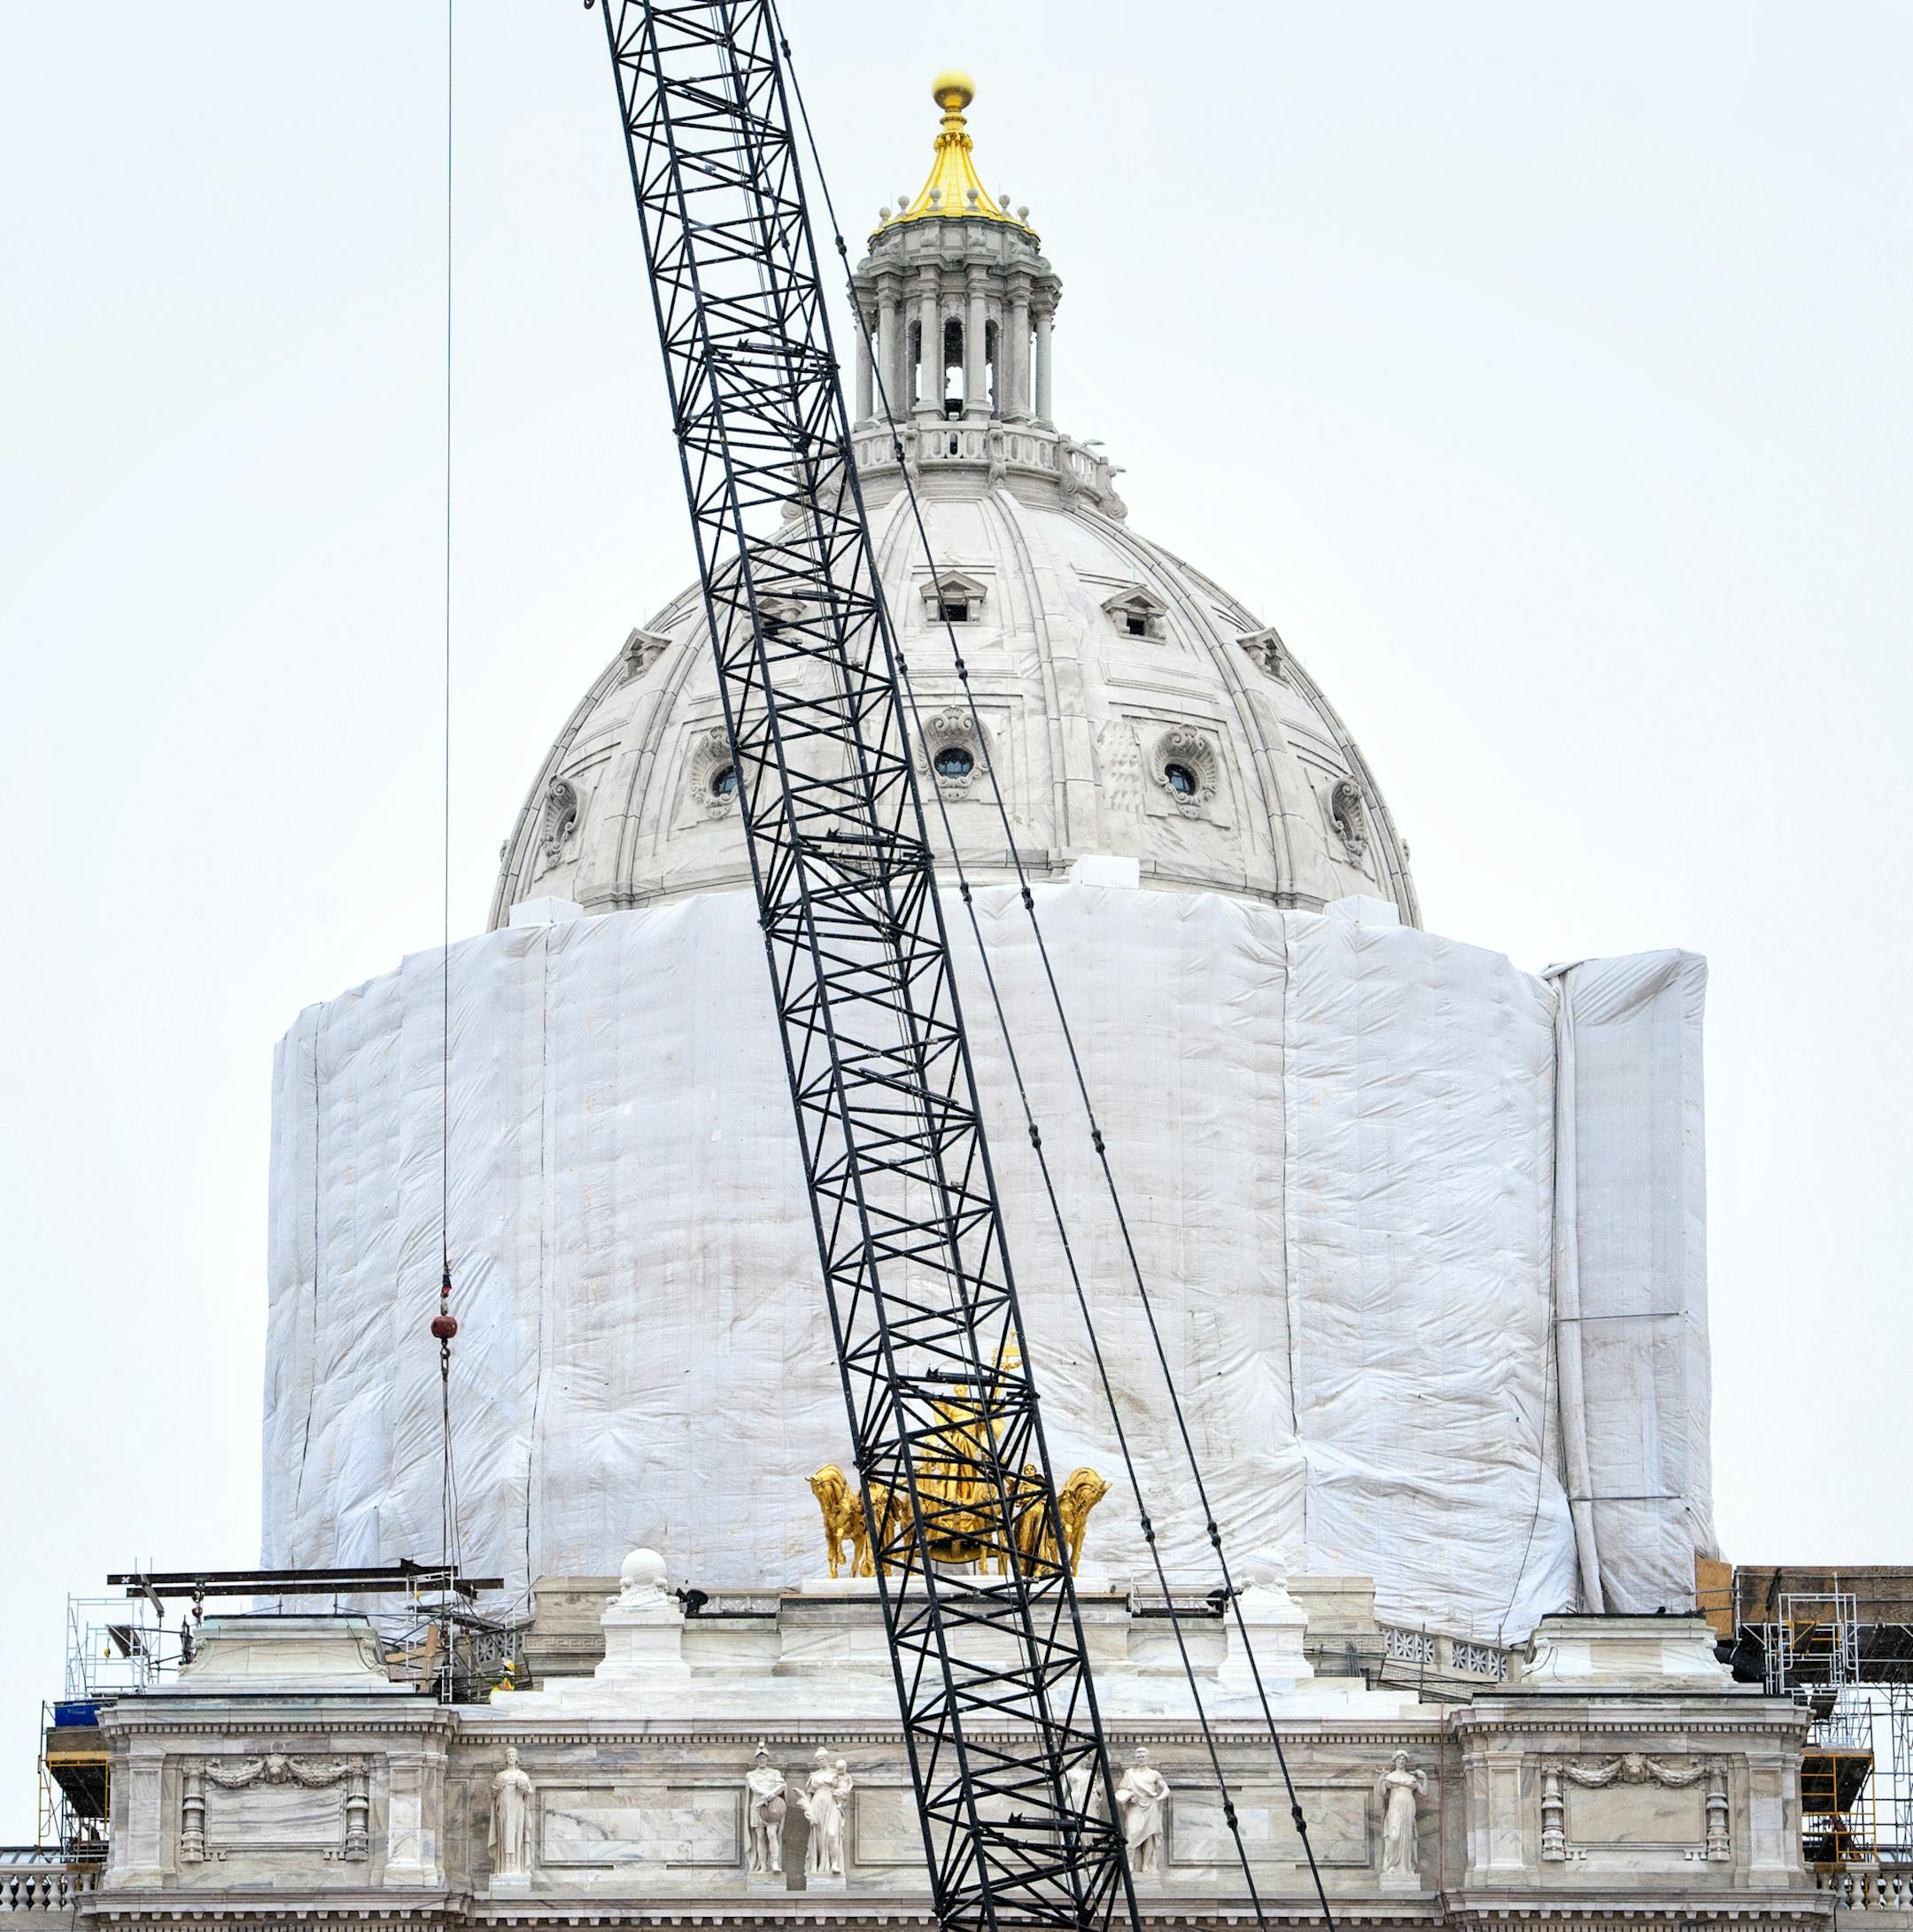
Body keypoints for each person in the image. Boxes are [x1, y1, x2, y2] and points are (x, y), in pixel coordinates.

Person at [1113, 1747, 1170, 1875]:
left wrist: (1158, 1799)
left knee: (1149, 1837)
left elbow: (1166, 1789)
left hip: (1151, 1807)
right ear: (1136, 1758)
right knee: (1132, 1833)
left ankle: (1145, 1865)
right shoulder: (1130, 1773)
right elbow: (1121, 1790)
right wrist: (1129, 1798)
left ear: (1147, 1757)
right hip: (1135, 1807)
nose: (1141, 1759)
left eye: (1143, 1756)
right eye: (1138, 1757)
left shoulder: (1154, 1774)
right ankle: (1130, 1862)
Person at [745, 1745, 787, 1874]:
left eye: (764, 1758)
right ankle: (763, 1865)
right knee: (760, 1836)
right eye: (759, 1758)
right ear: (756, 1760)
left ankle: (774, 1862)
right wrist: (767, 1793)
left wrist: (771, 1795)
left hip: (772, 1807)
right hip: (757, 1807)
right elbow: (753, 1786)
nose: (762, 1760)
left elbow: (782, 1786)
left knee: (771, 1833)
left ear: (767, 1759)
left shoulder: (775, 1773)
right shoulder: (751, 1774)